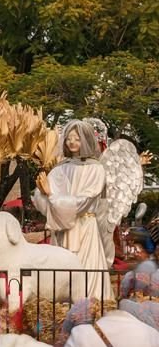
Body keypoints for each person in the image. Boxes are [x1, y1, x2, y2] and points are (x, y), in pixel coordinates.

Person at [34, 120, 113, 300]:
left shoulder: (96, 169)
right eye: (69, 138)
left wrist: (51, 195)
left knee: (85, 267)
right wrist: (42, 193)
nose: (72, 142)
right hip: (62, 229)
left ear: (85, 140)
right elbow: (42, 200)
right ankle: (62, 303)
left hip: (84, 227)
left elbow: (83, 201)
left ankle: (89, 305)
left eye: (76, 139)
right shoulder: (61, 168)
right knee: (61, 268)